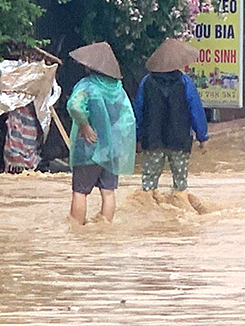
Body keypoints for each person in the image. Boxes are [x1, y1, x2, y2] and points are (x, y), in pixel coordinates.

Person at [66, 42, 136, 225]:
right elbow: (125, 118)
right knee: (108, 192)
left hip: (89, 147)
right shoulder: (117, 89)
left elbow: (74, 106)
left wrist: (84, 125)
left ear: (90, 66)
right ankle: (104, 229)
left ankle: (76, 231)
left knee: (80, 192)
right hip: (111, 149)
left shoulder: (87, 86)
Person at [134, 39, 209, 193]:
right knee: (180, 185)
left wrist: (137, 138)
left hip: (152, 140)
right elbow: (196, 111)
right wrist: (202, 137)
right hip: (179, 141)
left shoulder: (146, 83)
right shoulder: (186, 83)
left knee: (148, 185)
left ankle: (150, 213)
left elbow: (138, 113)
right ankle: (181, 212)